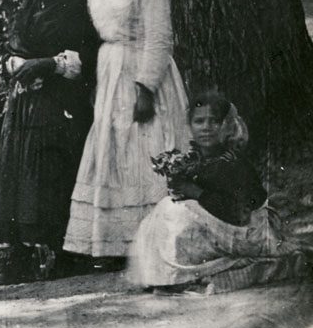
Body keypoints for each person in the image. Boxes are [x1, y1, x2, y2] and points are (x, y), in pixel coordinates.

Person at [64, 0, 189, 263]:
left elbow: (160, 37)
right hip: (109, 72)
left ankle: (157, 240)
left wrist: (146, 87)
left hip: (140, 70)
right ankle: (116, 245)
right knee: (114, 152)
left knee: (144, 148)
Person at [129, 90, 309, 292]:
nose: (206, 128)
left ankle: (180, 274)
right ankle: (164, 274)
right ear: (190, 126)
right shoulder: (197, 159)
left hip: (248, 232)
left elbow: (238, 214)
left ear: (226, 126)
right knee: (165, 210)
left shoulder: (232, 162)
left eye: (214, 121)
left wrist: (194, 191)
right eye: (199, 121)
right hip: (223, 224)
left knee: (176, 213)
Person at [0, 0, 97, 282]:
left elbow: (85, 56)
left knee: (55, 171)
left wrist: (47, 63)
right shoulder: (27, 4)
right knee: (20, 172)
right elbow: (11, 48)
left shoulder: (75, 4)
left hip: (61, 99)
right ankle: (18, 257)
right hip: (25, 101)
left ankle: (65, 253)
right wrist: (17, 65)